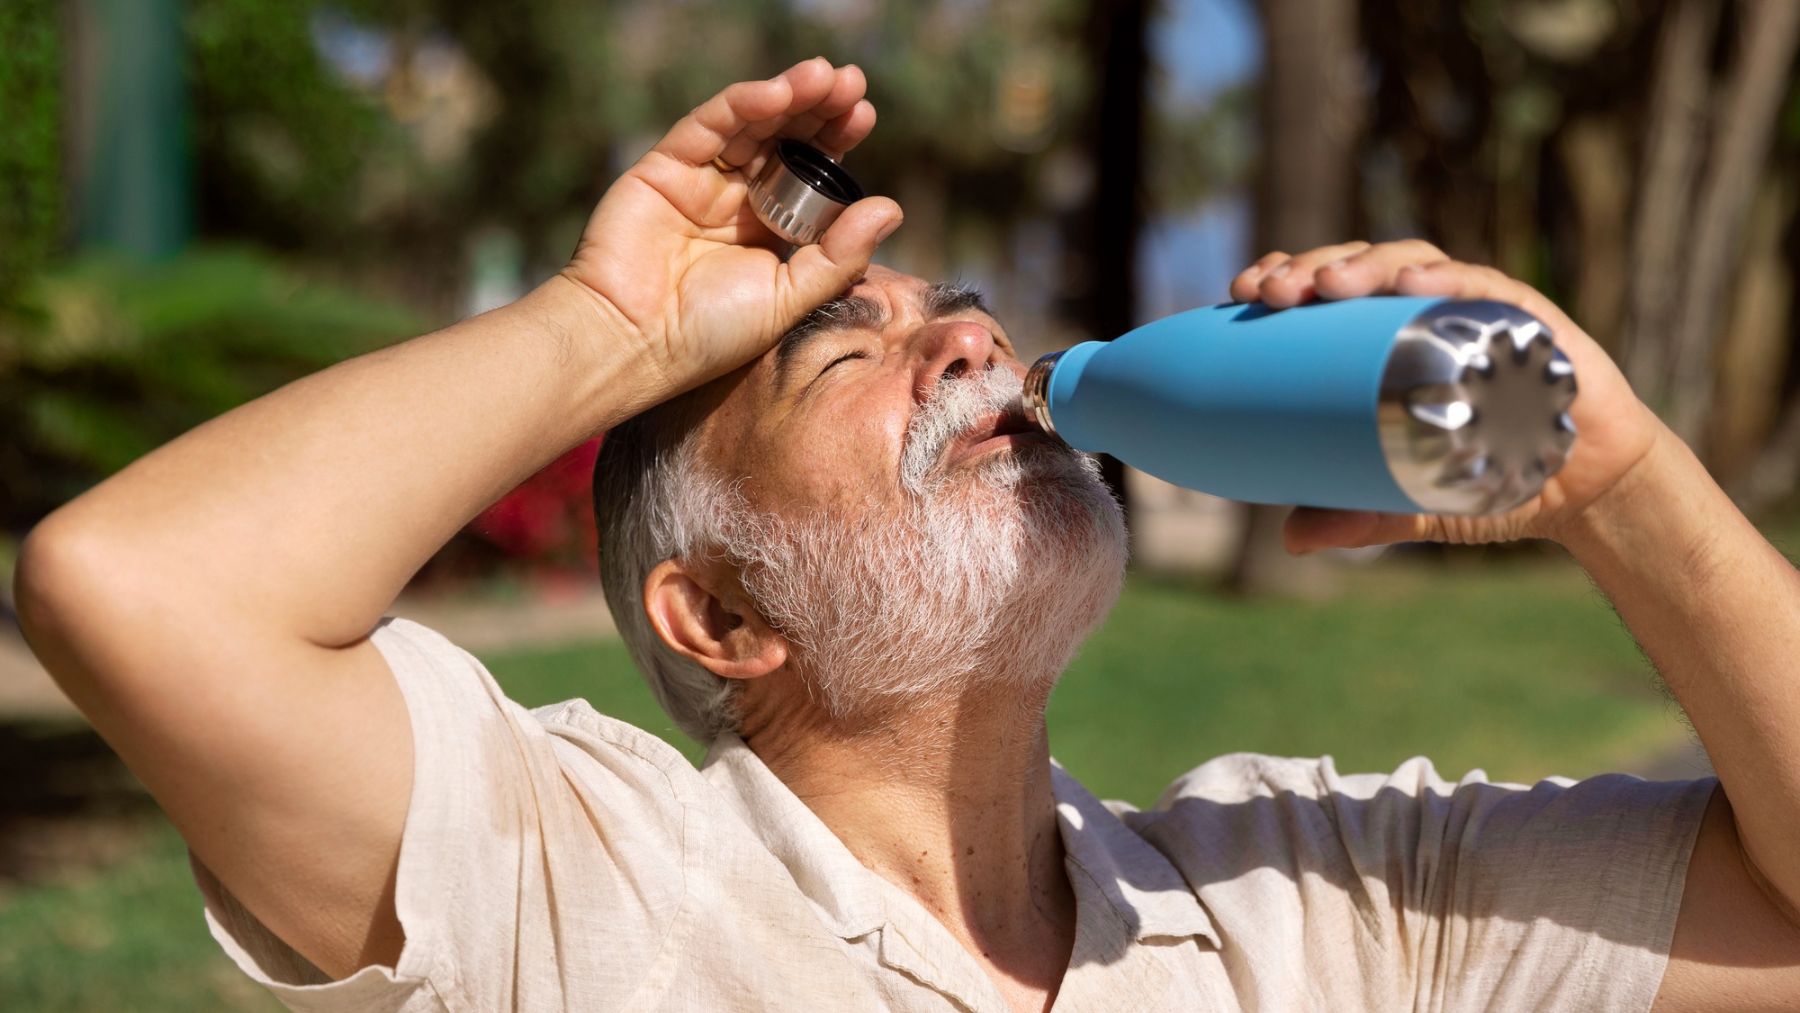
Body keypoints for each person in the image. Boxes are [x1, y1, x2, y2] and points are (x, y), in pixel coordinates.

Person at [13, 59, 1800, 1012]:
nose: (972, 341)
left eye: (954, 313)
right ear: (719, 615)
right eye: (845, 354)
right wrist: (613, 330)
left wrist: (1615, 480)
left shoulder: (1326, 897)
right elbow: (141, 587)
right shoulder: (571, 887)